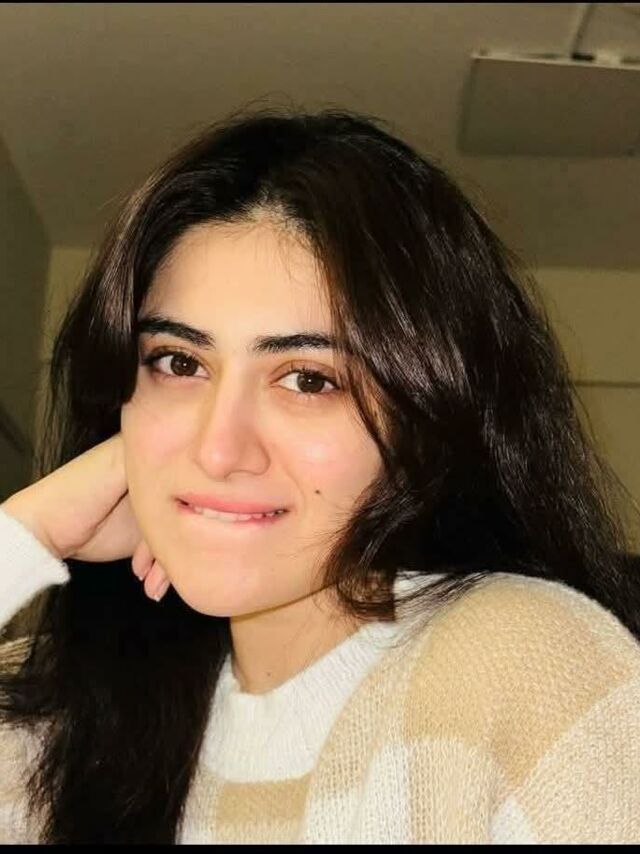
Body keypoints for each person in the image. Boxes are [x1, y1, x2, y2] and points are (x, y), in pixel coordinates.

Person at [1, 107, 639, 845]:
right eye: (179, 363)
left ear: (423, 425)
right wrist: (27, 533)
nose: (218, 450)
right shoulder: (54, 719)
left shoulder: (522, 668)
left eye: (308, 379)